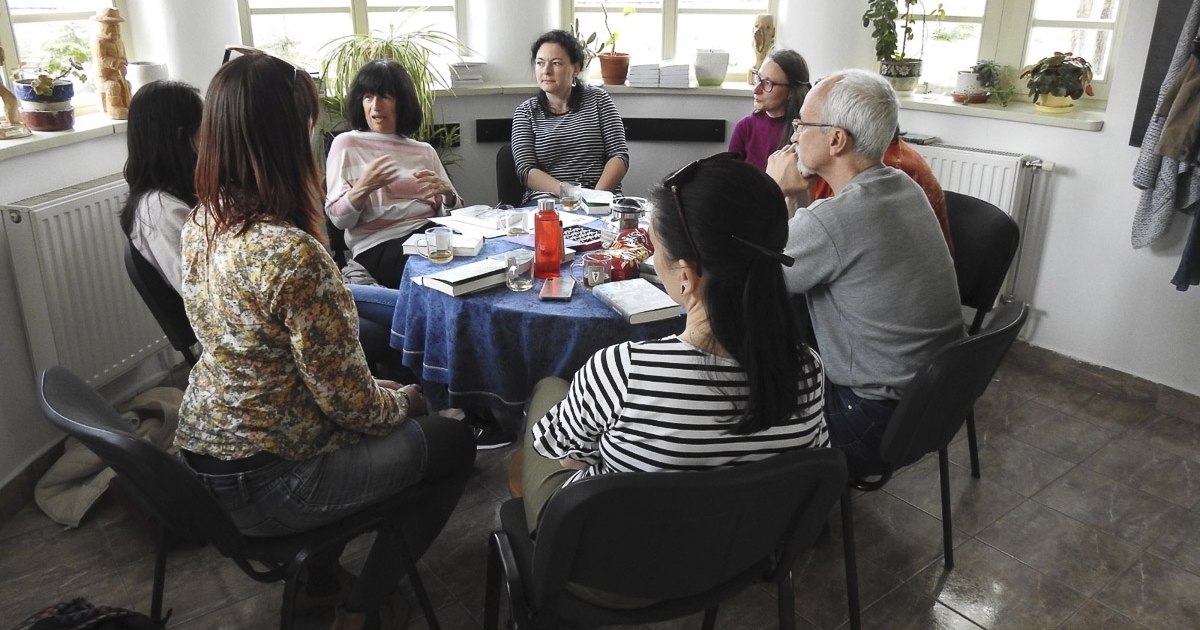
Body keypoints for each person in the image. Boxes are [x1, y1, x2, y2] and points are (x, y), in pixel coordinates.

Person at [177, 54, 475, 630]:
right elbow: (354, 408)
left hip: (208, 455)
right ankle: (364, 608)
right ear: (284, 135)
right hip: (270, 481)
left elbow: (286, 365)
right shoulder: (293, 254)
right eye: (309, 124)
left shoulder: (203, 221)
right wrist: (406, 400)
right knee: (452, 441)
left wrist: (367, 393)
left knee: (379, 392)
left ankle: (317, 580)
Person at [521, 156, 829, 593]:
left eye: (652, 243)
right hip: (736, 560)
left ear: (686, 276)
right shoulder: (807, 371)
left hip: (611, 573)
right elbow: (800, 469)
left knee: (547, 393)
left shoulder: (622, 370)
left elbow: (564, 454)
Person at [775, 68, 963, 464]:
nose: (793, 135)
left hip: (867, 416)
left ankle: (791, 510)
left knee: (748, 395)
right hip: (933, 406)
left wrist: (774, 191)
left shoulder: (836, 218)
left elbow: (754, 277)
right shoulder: (901, 184)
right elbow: (810, 248)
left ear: (836, 139)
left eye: (801, 124)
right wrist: (795, 200)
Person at [325, 59, 461, 289]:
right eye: (368, 97)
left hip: (429, 234)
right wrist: (363, 188)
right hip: (378, 245)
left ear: (402, 102)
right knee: (437, 272)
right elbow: (339, 220)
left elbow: (455, 214)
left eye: (385, 96)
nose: (375, 106)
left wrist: (448, 195)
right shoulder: (347, 144)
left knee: (482, 258)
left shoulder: (424, 151)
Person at [511, 29, 629, 206]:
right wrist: (572, 194)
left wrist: (595, 199)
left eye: (556, 63)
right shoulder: (525, 112)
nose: (546, 71)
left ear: (576, 68)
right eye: (540, 63)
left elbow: (619, 156)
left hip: (601, 197)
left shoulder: (599, 100)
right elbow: (526, 170)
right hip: (548, 202)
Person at [803, 130, 954, 255]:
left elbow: (815, 242)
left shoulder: (888, 169)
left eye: (804, 125)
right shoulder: (884, 163)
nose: (795, 137)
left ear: (837, 138)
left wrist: (783, 191)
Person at [119, 79, 203, 292]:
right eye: (208, 124)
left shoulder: (187, 187)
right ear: (181, 136)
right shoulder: (160, 210)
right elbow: (197, 291)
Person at [729, 49, 812, 171]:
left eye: (768, 83)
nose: (756, 89)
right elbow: (729, 177)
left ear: (790, 91)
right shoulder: (745, 126)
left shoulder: (804, 133)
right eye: (758, 78)